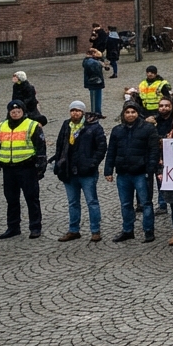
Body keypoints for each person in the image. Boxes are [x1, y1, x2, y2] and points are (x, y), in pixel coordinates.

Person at [103, 101, 161, 243]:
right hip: (123, 173)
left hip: (142, 173)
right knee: (126, 204)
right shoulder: (117, 130)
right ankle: (128, 230)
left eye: (133, 112)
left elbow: (154, 151)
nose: (130, 115)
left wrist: (150, 168)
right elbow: (111, 151)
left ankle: (148, 231)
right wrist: (108, 169)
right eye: (127, 112)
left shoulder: (148, 129)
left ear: (138, 113)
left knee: (146, 203)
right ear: (123, 114)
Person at [50, 102, 107, 242]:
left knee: (92, 202)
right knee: (73, 203)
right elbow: (60, 145)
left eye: (78, 110)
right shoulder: (66, 125)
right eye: (72, 110)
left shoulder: (93, 127)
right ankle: (73, 230)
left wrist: (92, 164)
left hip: (87, 172)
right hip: (69, 171)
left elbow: (101, 147)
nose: (75, 113)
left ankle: (95, 230)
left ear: (83, 112)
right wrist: (58, 163)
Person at [0, 99, 48, 239]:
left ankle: (35, 227)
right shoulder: (1, 126)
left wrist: (41, 167)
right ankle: (13, 227)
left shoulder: (32, 126)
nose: (15, 114)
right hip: (8, 169)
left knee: (31, 198)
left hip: (27, 167)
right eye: (13, 112)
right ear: (9, 112)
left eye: (18, 111)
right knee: (11, 199)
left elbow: (41, 148)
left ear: (23, 112)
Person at [83, 49, 107, 115]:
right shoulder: (91, 62)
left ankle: (98, 112)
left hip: (97, 82)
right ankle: (94, 113)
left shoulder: (92, 61)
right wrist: (100, 64)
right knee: (95, 99)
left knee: (98, 98)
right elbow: (95, 71)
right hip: (94, 82)